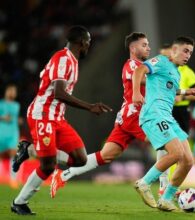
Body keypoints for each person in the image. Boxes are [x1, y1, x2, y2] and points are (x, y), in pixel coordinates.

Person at [11, 25, 111, 215]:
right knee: (47, 166)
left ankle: (29, 149)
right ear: (82, 43)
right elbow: (58, 93)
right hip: (43, 116)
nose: (89, 46)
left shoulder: (72, 61)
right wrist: (89, 106)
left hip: (57, 118)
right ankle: (19, 202)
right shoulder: (63, 58)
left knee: (80, 159)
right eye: (88, 42)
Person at [47, 32, 151, 197]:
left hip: (128, 116)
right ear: (133, 48)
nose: (149, 48)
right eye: (144, 45)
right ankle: (165, 190)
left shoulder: (144, 67)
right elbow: (142, 80)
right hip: (134, 116)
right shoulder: (133, 65)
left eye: (148, 45)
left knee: (106, 155)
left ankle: (64, 174)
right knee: (164, 143)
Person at [132, 36, 195, 211]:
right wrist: (135, 93)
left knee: (187, 161)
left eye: (191, 53)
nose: (188, 55)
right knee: (176, 153)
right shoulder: (162, 61)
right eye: (185, 51)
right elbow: (139, 70)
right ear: (174, 50)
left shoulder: (176, 72)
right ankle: (144, 183)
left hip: (168, 118)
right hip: (154, 114)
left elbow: (169, 88)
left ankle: (166, 199)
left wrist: (186, 91)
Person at [157, 43, 195, 195]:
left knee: (181, 152)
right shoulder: (160, 69)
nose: (165, 58)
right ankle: (163, 185)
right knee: (163, 146)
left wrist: (182, 95)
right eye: (162, 56)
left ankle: (172, 184)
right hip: (164, 109)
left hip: (181, 112)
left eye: (167, 55)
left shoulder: (186, 71)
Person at [0, 84, 20, 188]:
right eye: (10, 90)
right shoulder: (1, 104)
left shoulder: (17, 105)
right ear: (6, 92)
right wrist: (3, 118)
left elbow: (14, 118)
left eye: (14, 91)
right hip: (1, 132)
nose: (12, 93)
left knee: (14, 154)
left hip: (12, 133)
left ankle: (13, 179)